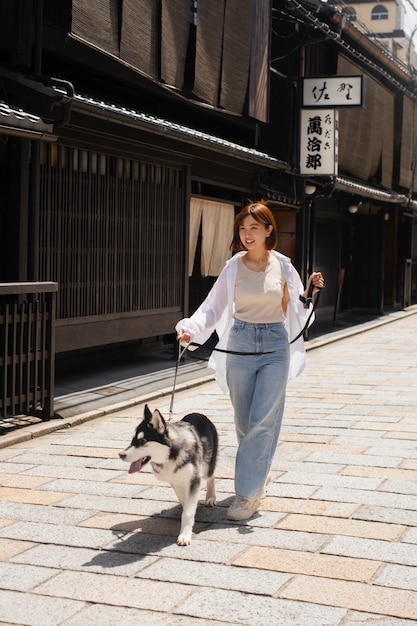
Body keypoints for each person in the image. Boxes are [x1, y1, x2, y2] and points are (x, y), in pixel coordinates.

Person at [176, 202, 324, 521]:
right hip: (241, 341)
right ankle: (258, 475)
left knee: (262, 421)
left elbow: (299, 307)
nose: (247, 234)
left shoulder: (283, 266)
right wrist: (190, 328)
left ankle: (247, 496)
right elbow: (212, 308)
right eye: (243, 228)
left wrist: (310, 292)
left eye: (254, 228)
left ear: (269, 230)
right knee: (245, 423)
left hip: (274, 345)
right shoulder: (234, 266)